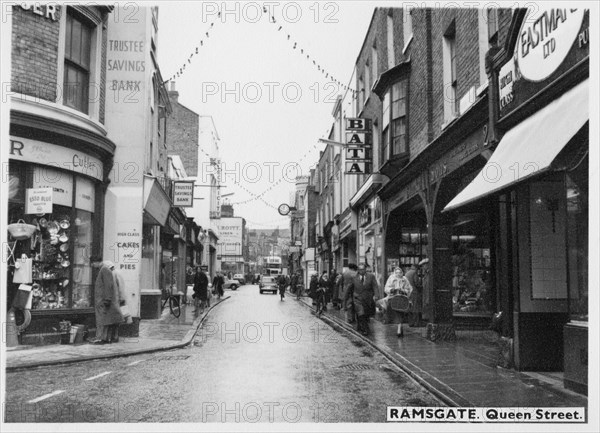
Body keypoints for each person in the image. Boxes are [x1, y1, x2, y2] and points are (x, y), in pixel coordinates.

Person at [92, 259, 123, 344]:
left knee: (102, 320)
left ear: (97, 262)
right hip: (101, 300)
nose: (92, 266)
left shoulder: (104, 270)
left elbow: (108, 285)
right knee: (103, 319)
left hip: (102, 300)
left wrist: (107, 299)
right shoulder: (103, 270)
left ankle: (101, 338)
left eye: (93, 263)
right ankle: (103, 338)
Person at [378, 267, 412, 336]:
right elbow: (386, 288)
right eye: (397, 272)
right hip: (393, 297)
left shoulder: (404, 279)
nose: (398, 274)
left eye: (400, 272)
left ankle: (399, 327)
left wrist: (404, 290)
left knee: (401, 312)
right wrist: (393, 289)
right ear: (394, 273)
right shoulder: (391, 278)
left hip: (403, 298)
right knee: (396, 311)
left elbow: (409, 288)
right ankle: (399, 327)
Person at [348, 263, 378, 336]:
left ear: (365, 269)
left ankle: (360, 325)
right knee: (361, 313)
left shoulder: (371, 276)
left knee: (366, 314)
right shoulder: (354, 277)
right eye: (360, 269)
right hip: (357, 299)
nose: (361, 271)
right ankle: (365, 329)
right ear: (358, 270)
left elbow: (375, 286)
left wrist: (376, 295)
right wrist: (347, 300)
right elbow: (349, 288)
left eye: (363, 269)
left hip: (368, 299)